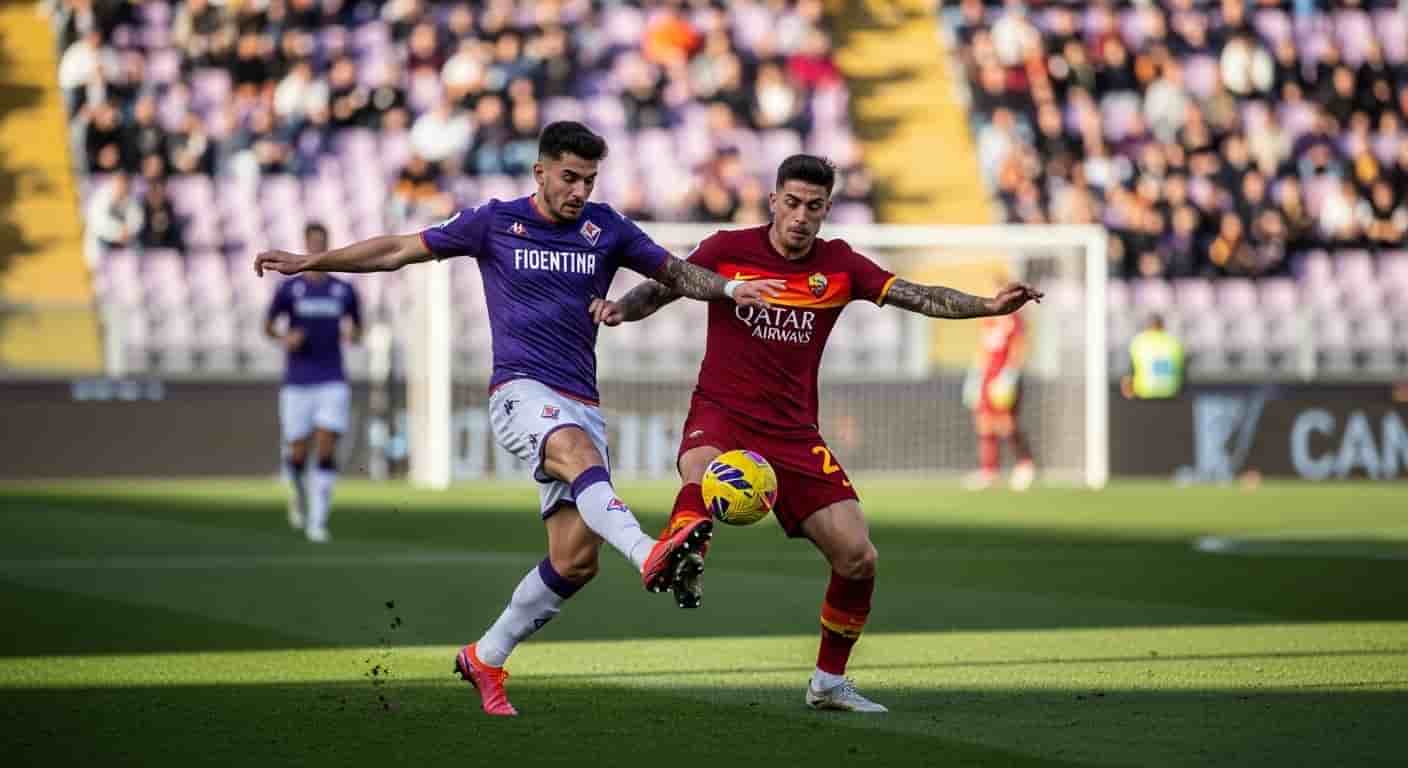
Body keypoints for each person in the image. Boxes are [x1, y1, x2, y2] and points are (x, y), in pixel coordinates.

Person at [253, 121, 782, 716]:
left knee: (575, 562)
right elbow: (399, 249)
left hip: (581, 399)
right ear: (540, 171)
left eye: (589, 179)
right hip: (520, 391)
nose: (579, 190)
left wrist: (728, 289)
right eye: (569, 177)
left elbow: (673, 271)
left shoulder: (606, 227)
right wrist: (312, 261)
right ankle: (648, 552)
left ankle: (485, 656)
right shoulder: (495, 222)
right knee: (576, 451)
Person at [593, 155, 1041, 713]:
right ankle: (679, 554)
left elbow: (917, 296)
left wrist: (987, 307)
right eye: (792, 203)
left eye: (814, 207)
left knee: (859, 557)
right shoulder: (727, 249)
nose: (801, 216)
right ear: (774, 199)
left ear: (827, 209)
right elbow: (664, 287)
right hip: (723, 411)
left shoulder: (841, 265)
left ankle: (828, 681)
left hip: (793, 432)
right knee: (703, 469)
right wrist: (618, 310)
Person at [265, 222, 362, 543]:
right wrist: (284, 337)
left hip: (332, 377)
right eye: (313, 243)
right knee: (297, 451)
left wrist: (353, 334)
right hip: (298, 380)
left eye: (322, 243)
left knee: (325, 447)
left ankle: (318, 521)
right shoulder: (289, 289)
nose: (317, 248)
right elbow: (268, 325)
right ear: (306, 245)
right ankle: (296, 492)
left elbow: (358, 327)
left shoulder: (343, 290)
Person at [962, 272, 1036, 492]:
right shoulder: (988, 319)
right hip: (987, 374)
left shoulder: (1015, 319)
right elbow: (983, 349)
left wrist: (1010, 374)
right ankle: (989, 471)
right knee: (984, 422)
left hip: (1005, 376)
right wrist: (975, 375)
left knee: (1006, 423)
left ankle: (1025, 465)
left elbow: (1018, 347)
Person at [1122, 314, 1184, 400]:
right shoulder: (1174, 342)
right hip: (1170, 393)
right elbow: (1182, 369)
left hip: (1144, 393)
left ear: (1148, 326)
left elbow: (1129, 372)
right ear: (1163, 326)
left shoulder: (1139, 341)